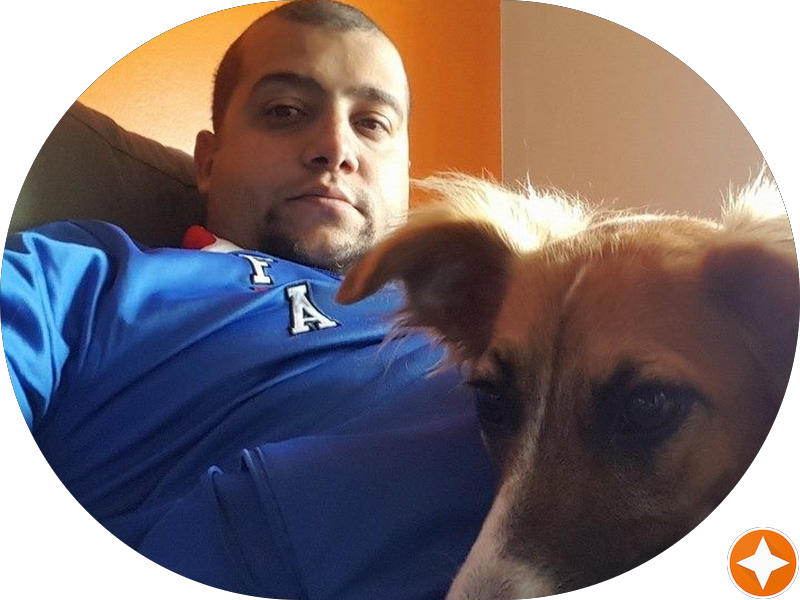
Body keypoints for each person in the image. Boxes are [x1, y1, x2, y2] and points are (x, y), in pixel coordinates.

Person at [3, 2, 495, 599]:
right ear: (208, 162)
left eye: (371, 123)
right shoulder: (90, 275)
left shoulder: (484, 307)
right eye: (285, 111)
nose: (336, 147)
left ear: (405, 171)